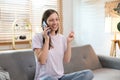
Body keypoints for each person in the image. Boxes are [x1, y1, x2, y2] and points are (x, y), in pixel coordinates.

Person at [32, 9, 94, 80]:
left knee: (88, 73)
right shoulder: (37, 37)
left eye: (57, 19)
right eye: (51, 20)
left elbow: (66, 60)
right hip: (44, 78)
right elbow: (42, 61)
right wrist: (46, 39)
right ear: (44, 23)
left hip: (60, 77)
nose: (55, 22)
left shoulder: (62, 38)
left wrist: (68, 42)